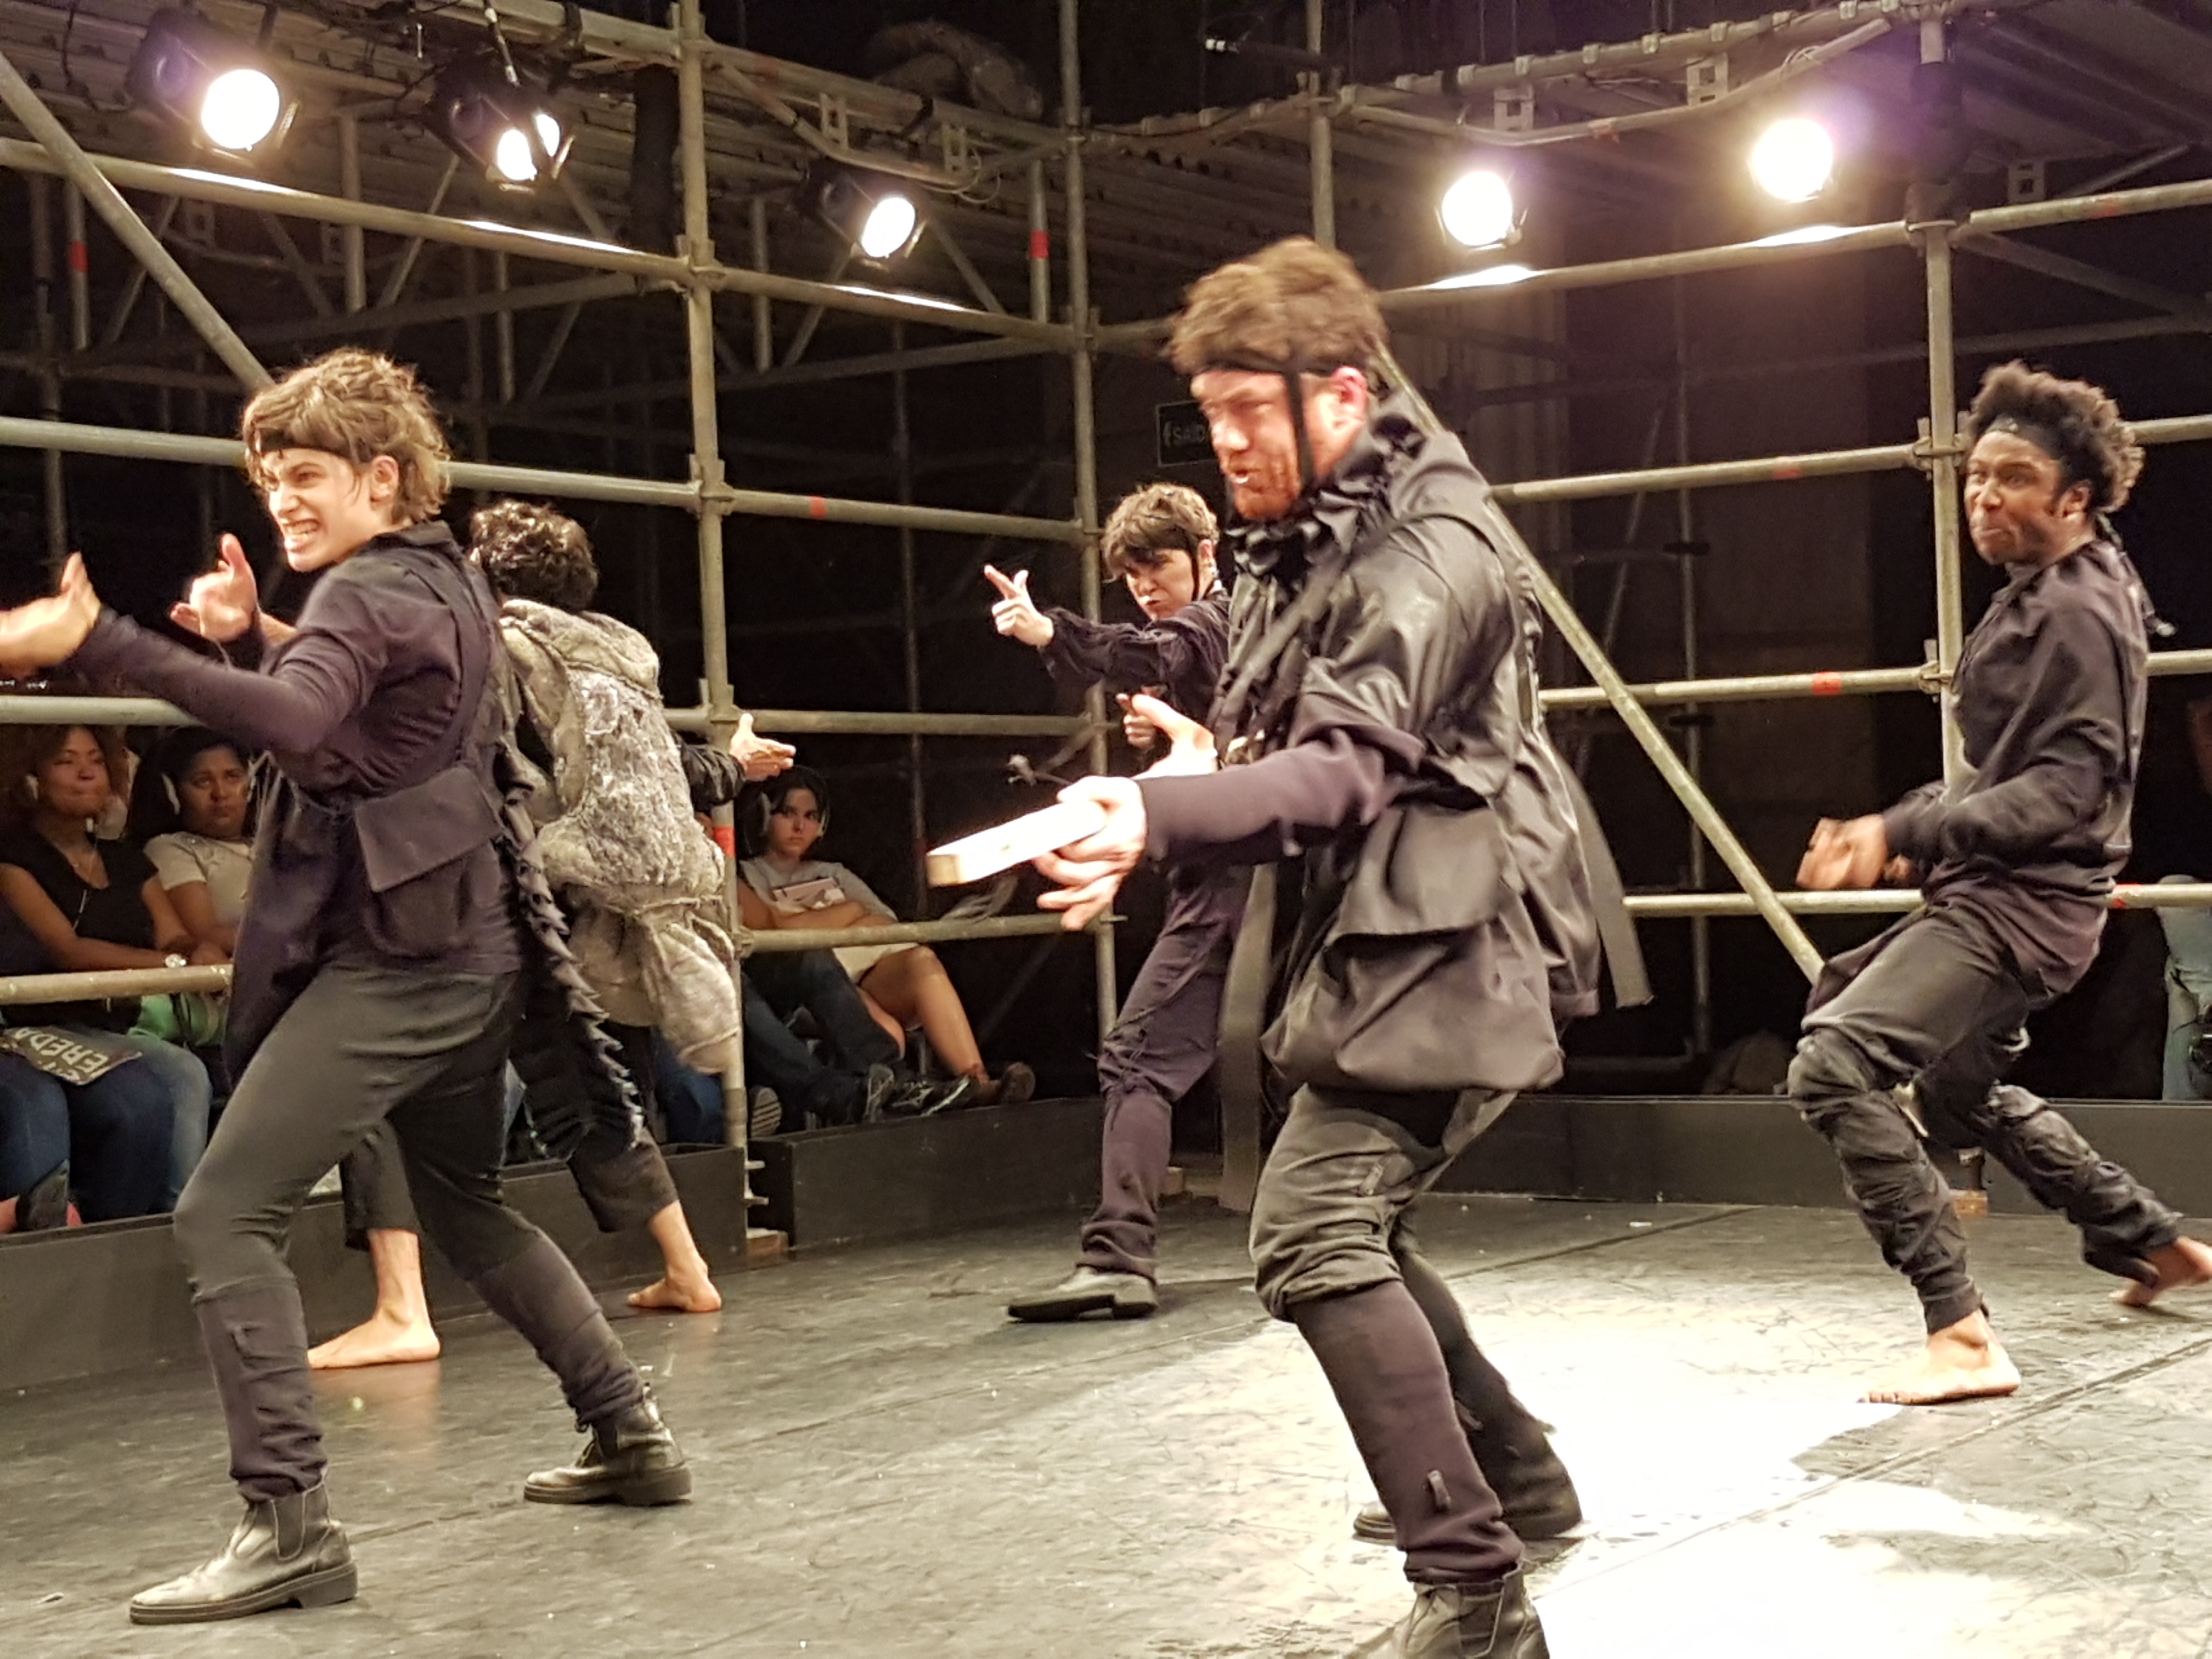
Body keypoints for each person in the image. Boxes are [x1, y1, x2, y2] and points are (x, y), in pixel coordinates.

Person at [0, 347, 690, 1625]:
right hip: (471, 946)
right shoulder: (439, 577)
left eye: (307, 474)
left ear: (383, 477)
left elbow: (306, 726)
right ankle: (627, 1430)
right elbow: (381, 711)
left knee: (224, 1213)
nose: (284, 499)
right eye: (272, 479)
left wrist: (101, 639)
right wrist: (254, 633)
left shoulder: (371, 591)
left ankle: (290, 1525)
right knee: (467, 1207)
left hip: (407, 961)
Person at [1031, 238, 1605, 1658]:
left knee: (1312, 1231)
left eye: (1251, 411)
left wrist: (1159, 813)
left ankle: (1475, 1588)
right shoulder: (1324, 534)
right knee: (1357, 1226)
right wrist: (1165, 807)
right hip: (1393, 928)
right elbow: (1291, 747)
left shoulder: (1426, 550)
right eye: (1213, 414)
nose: (1227, 442)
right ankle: (1517, 1480)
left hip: (1458, 934)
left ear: (1344, 396)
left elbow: (1349, 768)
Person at [1790, 360, 2212, 1407]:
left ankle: (1962, 1334)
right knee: (1950, 1085)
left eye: (2013, 478)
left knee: (1833, 1065)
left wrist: (1905, 828)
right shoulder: (2059, 587)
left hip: (2017, 908)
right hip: (2011, 895)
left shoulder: (2076, 611)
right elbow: (2010, 770)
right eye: (1975, 476)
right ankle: (2152, 1241)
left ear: (2074, 497)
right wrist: (1906, 825)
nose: (1982, 496)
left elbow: (2066, 790)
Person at [310, 498, 791, 1366]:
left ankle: (402, 1309)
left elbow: (464, 757)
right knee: (586, 1084)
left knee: (375, 1083)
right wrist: (734, 766)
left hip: (497, 893)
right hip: (577, 909)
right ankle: (686, 1269)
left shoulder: (497, 650)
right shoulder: (613, 653)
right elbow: (658, 773)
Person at [988, 483, 1244, 1322]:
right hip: (1257, 871)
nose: (1143, 586)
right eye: (1131, 575)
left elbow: (1153, 651)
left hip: (1235, 880)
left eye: (1156, 565)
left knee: (1140, 1056)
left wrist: (1048, 632)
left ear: (1204, 554)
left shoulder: (1211, 621)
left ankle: (1119, 1254)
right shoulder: (1232, 626)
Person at [0, 724, 216, 1204]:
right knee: (133, 1103)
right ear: (31, 779)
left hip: (111, 1026)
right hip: (32, 1023)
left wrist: (193, 950)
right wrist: (172, 966)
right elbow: (70, 951)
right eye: (66, 761)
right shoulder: (13, 858)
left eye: (96, 761)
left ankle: (178, 1220)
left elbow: (172, 933)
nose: (86, 773)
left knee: (187, 1074)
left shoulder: (126, 860)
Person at [738, 766, 1032, 1107]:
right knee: (887, 1034)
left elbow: (885, 926)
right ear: (763, 817)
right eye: (788, 813)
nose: (799, 826)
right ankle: (895, 1103)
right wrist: (849, 912)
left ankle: (978, 1085)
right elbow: (781, 932)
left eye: (810, 816)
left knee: (922, 960)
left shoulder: (834, 872)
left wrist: (815, 921)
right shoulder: (746, 875)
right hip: (806, 982)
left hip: (864, 970)